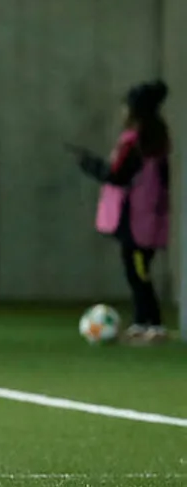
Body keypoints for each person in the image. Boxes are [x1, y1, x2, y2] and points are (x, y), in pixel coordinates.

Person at [69, 79, 171, 344]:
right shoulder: (156, 142)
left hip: (136, 221)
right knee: (137, 271)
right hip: (148, 218)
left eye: (125, 107)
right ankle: (142, 322)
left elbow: (116, 175)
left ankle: (152, 324)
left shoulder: (134, 143)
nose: (122, 111)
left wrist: (88, 163)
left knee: (138, 272)